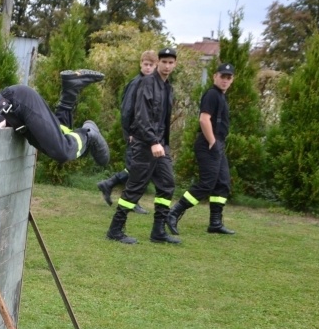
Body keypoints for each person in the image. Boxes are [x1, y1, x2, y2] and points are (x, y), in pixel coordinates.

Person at [106, 47, 180, 245]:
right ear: (158, 63)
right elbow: (141, 117)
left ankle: (158, 231)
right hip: (145, 144)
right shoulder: (146, 83)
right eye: (164, 61)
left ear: (175, 64)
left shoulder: (167, 87)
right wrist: (154, 141)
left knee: (167, 184)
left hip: (160, 146)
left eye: (170, 62)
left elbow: (163, 120)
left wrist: (162, 143)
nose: (167, 65)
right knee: (135, 188)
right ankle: (115, 230)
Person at [166, 63, 236, 235]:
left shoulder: (221, 96)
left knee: (223, 183)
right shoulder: (212, 94)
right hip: (209, 144)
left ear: (232, 80)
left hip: (217, 144)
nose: (225, 81)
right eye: (222, 77)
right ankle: (173, 213)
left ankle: (215, 223)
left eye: (229, 78)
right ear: (215, 76)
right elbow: (204, 119)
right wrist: (212, 141)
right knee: (207, 184)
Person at [97, 50, 158, 215]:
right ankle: (130, 199)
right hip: (135, 133)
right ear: (141, 64)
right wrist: (128, 132)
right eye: (145, 64)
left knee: (138, 167)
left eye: (151, 65)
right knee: (136, 167)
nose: (148, 67)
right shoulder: (136, 83)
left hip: (147, 134)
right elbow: (126, 110)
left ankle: (109, 184)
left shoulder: (153, 84)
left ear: (155, 66)